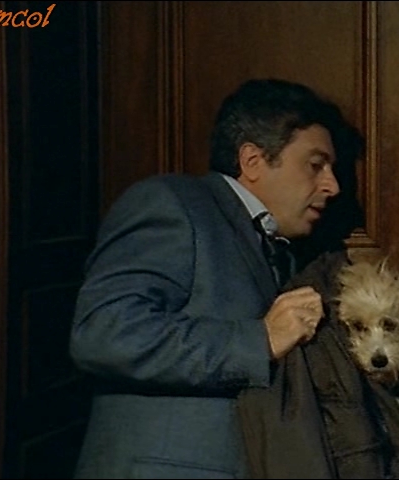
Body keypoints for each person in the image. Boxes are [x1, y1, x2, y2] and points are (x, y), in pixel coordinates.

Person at [69, 78, 364, 478]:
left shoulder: (286, 250)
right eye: (315, 165)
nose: (332, 185)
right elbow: (104, 333)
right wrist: (259, 340)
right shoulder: (171, 203)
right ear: (252, 160)